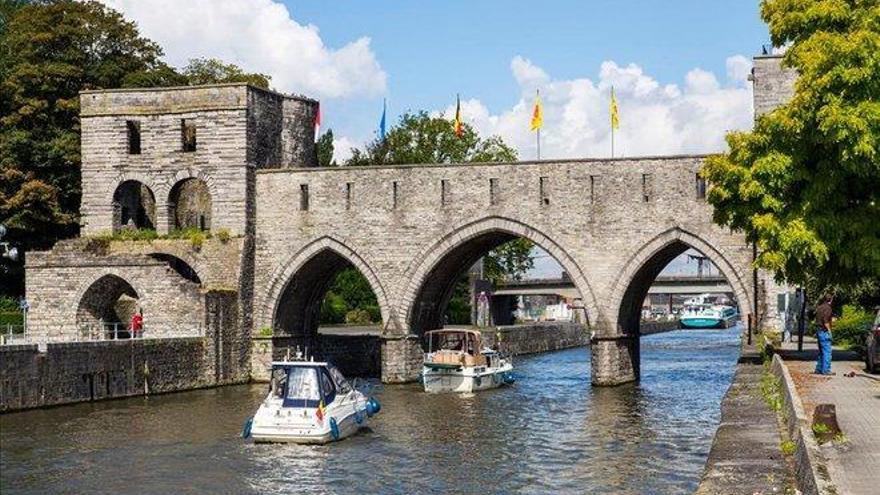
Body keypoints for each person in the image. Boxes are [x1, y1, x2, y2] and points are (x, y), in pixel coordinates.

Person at [814, 294, 834, 375]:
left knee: (821, 351)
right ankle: (826, 370)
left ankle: (819, 369)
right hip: (824, 331)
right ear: (831, 300)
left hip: (818, 330)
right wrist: (830, 331)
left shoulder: (819, 307)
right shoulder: (828, 308)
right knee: (827, 351)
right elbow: (825, 321)